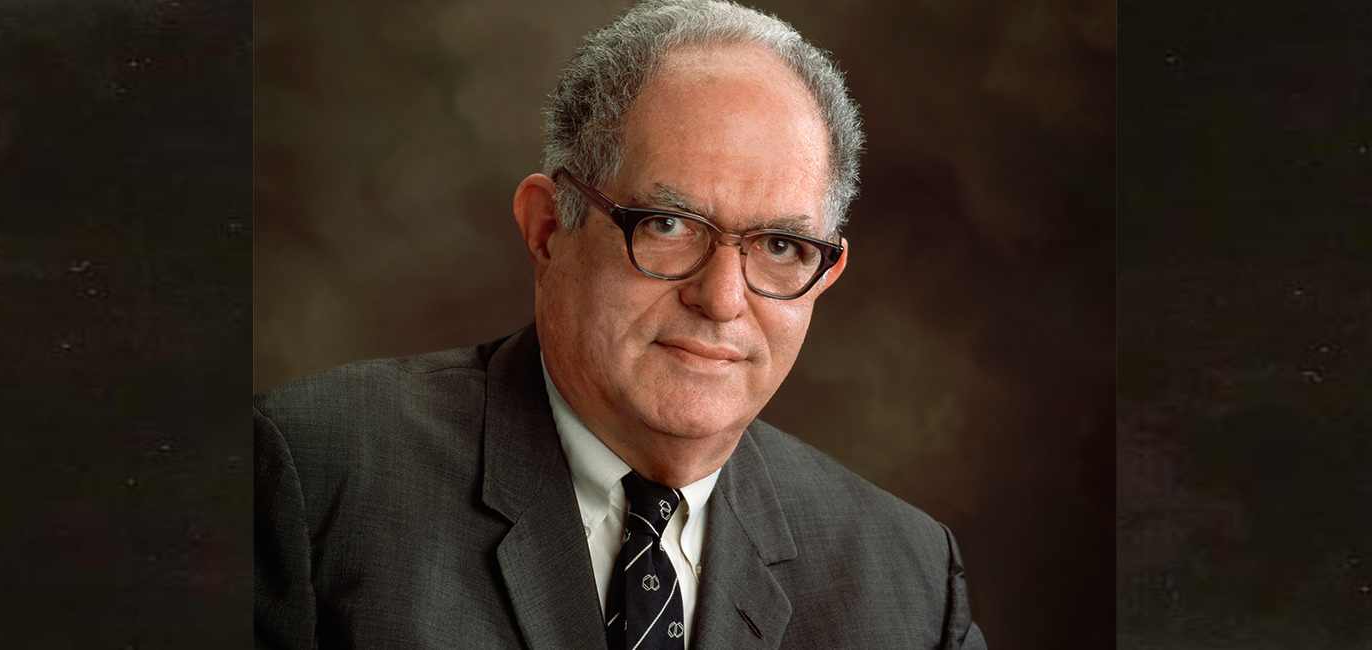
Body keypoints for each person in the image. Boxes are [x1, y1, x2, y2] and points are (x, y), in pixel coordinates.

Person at [254, 1, 986, 648]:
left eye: (780, 247)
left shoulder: (910, 581)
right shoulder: (311, 475)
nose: (723, 299)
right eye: (669, 224)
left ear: (824, 274)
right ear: (547, 229)